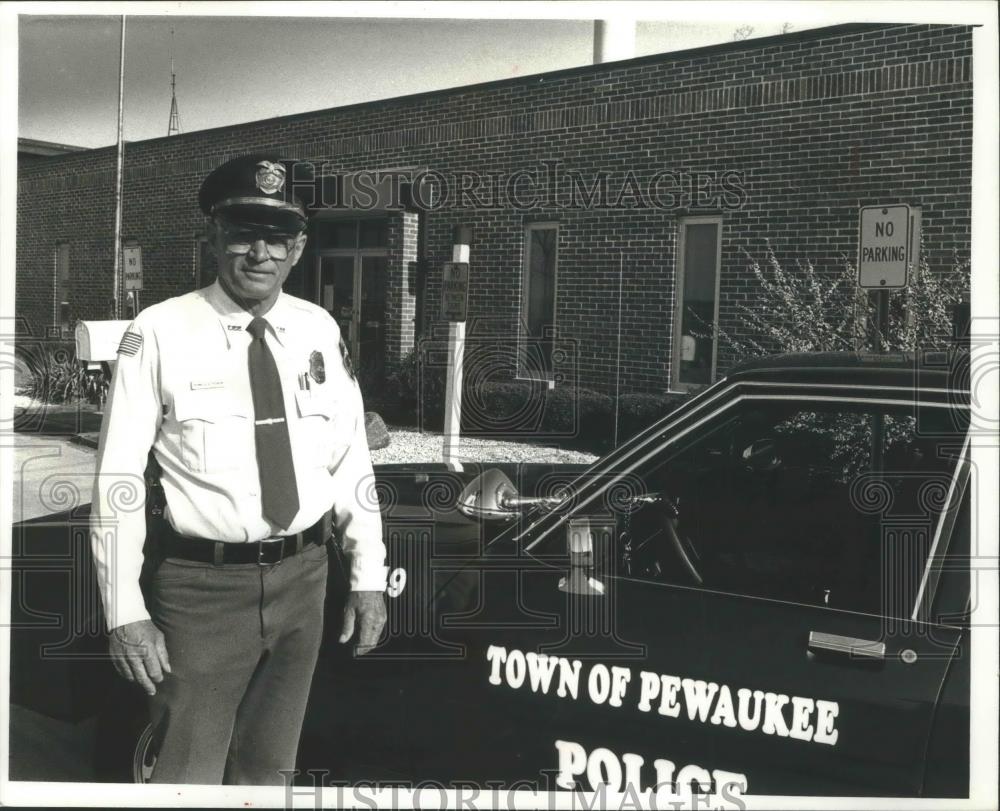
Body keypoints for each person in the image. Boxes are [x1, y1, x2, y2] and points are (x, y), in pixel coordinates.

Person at [89, 154, 387, 785]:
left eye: (277, 236)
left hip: (304, 581)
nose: (260, 252)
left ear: (299, 245)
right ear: (214, 239)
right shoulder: (160, 331)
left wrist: (366, 575)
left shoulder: (318, 329)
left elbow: (348, 459)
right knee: (184, 774)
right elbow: (116, 481)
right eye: (243, 233)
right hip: (201, 592)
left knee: (268, 772)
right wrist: (123, 611)